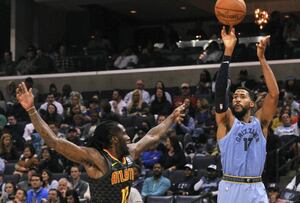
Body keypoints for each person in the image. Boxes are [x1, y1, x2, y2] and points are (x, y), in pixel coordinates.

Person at [15, 81, 185, 203]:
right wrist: (31, 109)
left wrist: (171, 117)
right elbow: (54, 141)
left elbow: (153, 135)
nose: (128, 137)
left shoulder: (130, 152)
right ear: (113, 139)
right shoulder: (96, 159)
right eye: (123, 134)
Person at [214, 26, 279, 203]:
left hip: (256, 187)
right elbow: (220, 92)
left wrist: (262, 58)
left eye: (241, 96)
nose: (236, 99)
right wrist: (228, 51)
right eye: (234, 96)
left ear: (251, 103)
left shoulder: (261, 123)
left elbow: (274, 94)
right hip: (231, 187)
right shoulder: (226, 122)